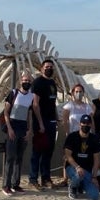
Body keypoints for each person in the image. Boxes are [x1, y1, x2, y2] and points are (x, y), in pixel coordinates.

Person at [1, 71, 43, 195]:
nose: (27, 82)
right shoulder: (13, 93)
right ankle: (6, 185)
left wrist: (29, 130)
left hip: (23, 128)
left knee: (19, 157)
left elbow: (30, 114)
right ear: (21, 81)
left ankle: (16, 184)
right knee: (10, 157)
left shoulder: (31, 97)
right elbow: (6, 112)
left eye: (29, 80)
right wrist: (9, 128)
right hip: (13, 127)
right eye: (25, 80)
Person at [28, 58, 57, 190]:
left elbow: (52, 103)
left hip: (51, 121)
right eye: (46, 67)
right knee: (38, 151)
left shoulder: (52, 83)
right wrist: (40, 123)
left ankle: (46, 178)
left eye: (51, 66)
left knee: (48, 151)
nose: (49, 68)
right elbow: (35, 104)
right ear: (41, 68)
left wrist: (56, 119)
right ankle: (33, 179)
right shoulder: (37, 83)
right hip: (42, 122)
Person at [59, 83, 94, 186]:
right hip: (72, 135)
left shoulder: (87, 107)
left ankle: (83, 176)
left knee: (83, 156)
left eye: (80, 91)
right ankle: (65, 179)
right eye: (76, 91)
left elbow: (92, 121)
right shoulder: (68, 106)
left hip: (85, 136)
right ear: (73, 93)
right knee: (68, 156)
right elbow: (64, 121)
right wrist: (67, 134)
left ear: (83, 93)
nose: (79, 93)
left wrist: (93, 133)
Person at [63, 114, 100, 200]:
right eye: (83, 122)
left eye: (88, 123)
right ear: (80, 124)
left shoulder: (94, 139)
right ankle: (73, 187)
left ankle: (80, 185)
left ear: (91, 124)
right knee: (78, 175)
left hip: (87, 171)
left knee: (95, 196)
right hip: (73, 168)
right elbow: (68, 156)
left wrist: (94, 177)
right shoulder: (72, 137)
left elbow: (96, 160)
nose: (85, 125)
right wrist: (77, 167)